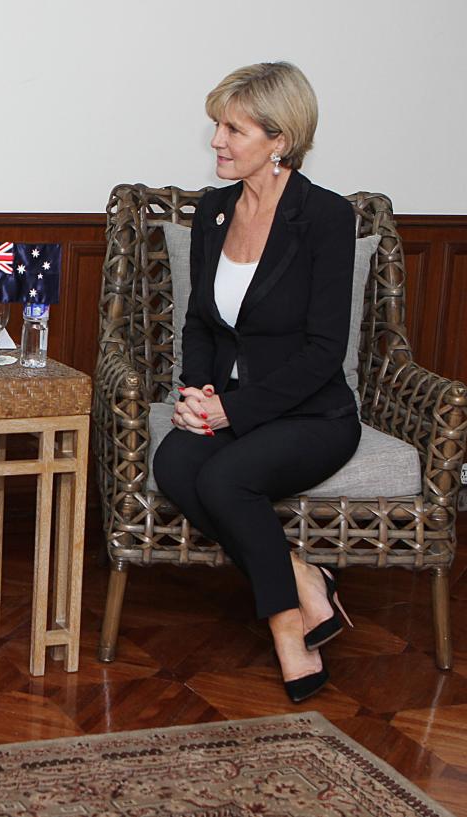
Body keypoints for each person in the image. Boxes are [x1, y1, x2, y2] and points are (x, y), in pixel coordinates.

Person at [151, 62, 359, 703]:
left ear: (280, 140)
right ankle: (302, 578)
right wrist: (196, 393)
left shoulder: (324, 217)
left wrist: (231, 415)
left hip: (312, 415)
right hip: (233, 403)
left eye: (233, 129)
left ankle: (288, 632)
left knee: (221, 477)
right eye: (216, 125)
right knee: (174, 464)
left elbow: (325, 352)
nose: (217, 140)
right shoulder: (214, 211)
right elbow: (202, 325)